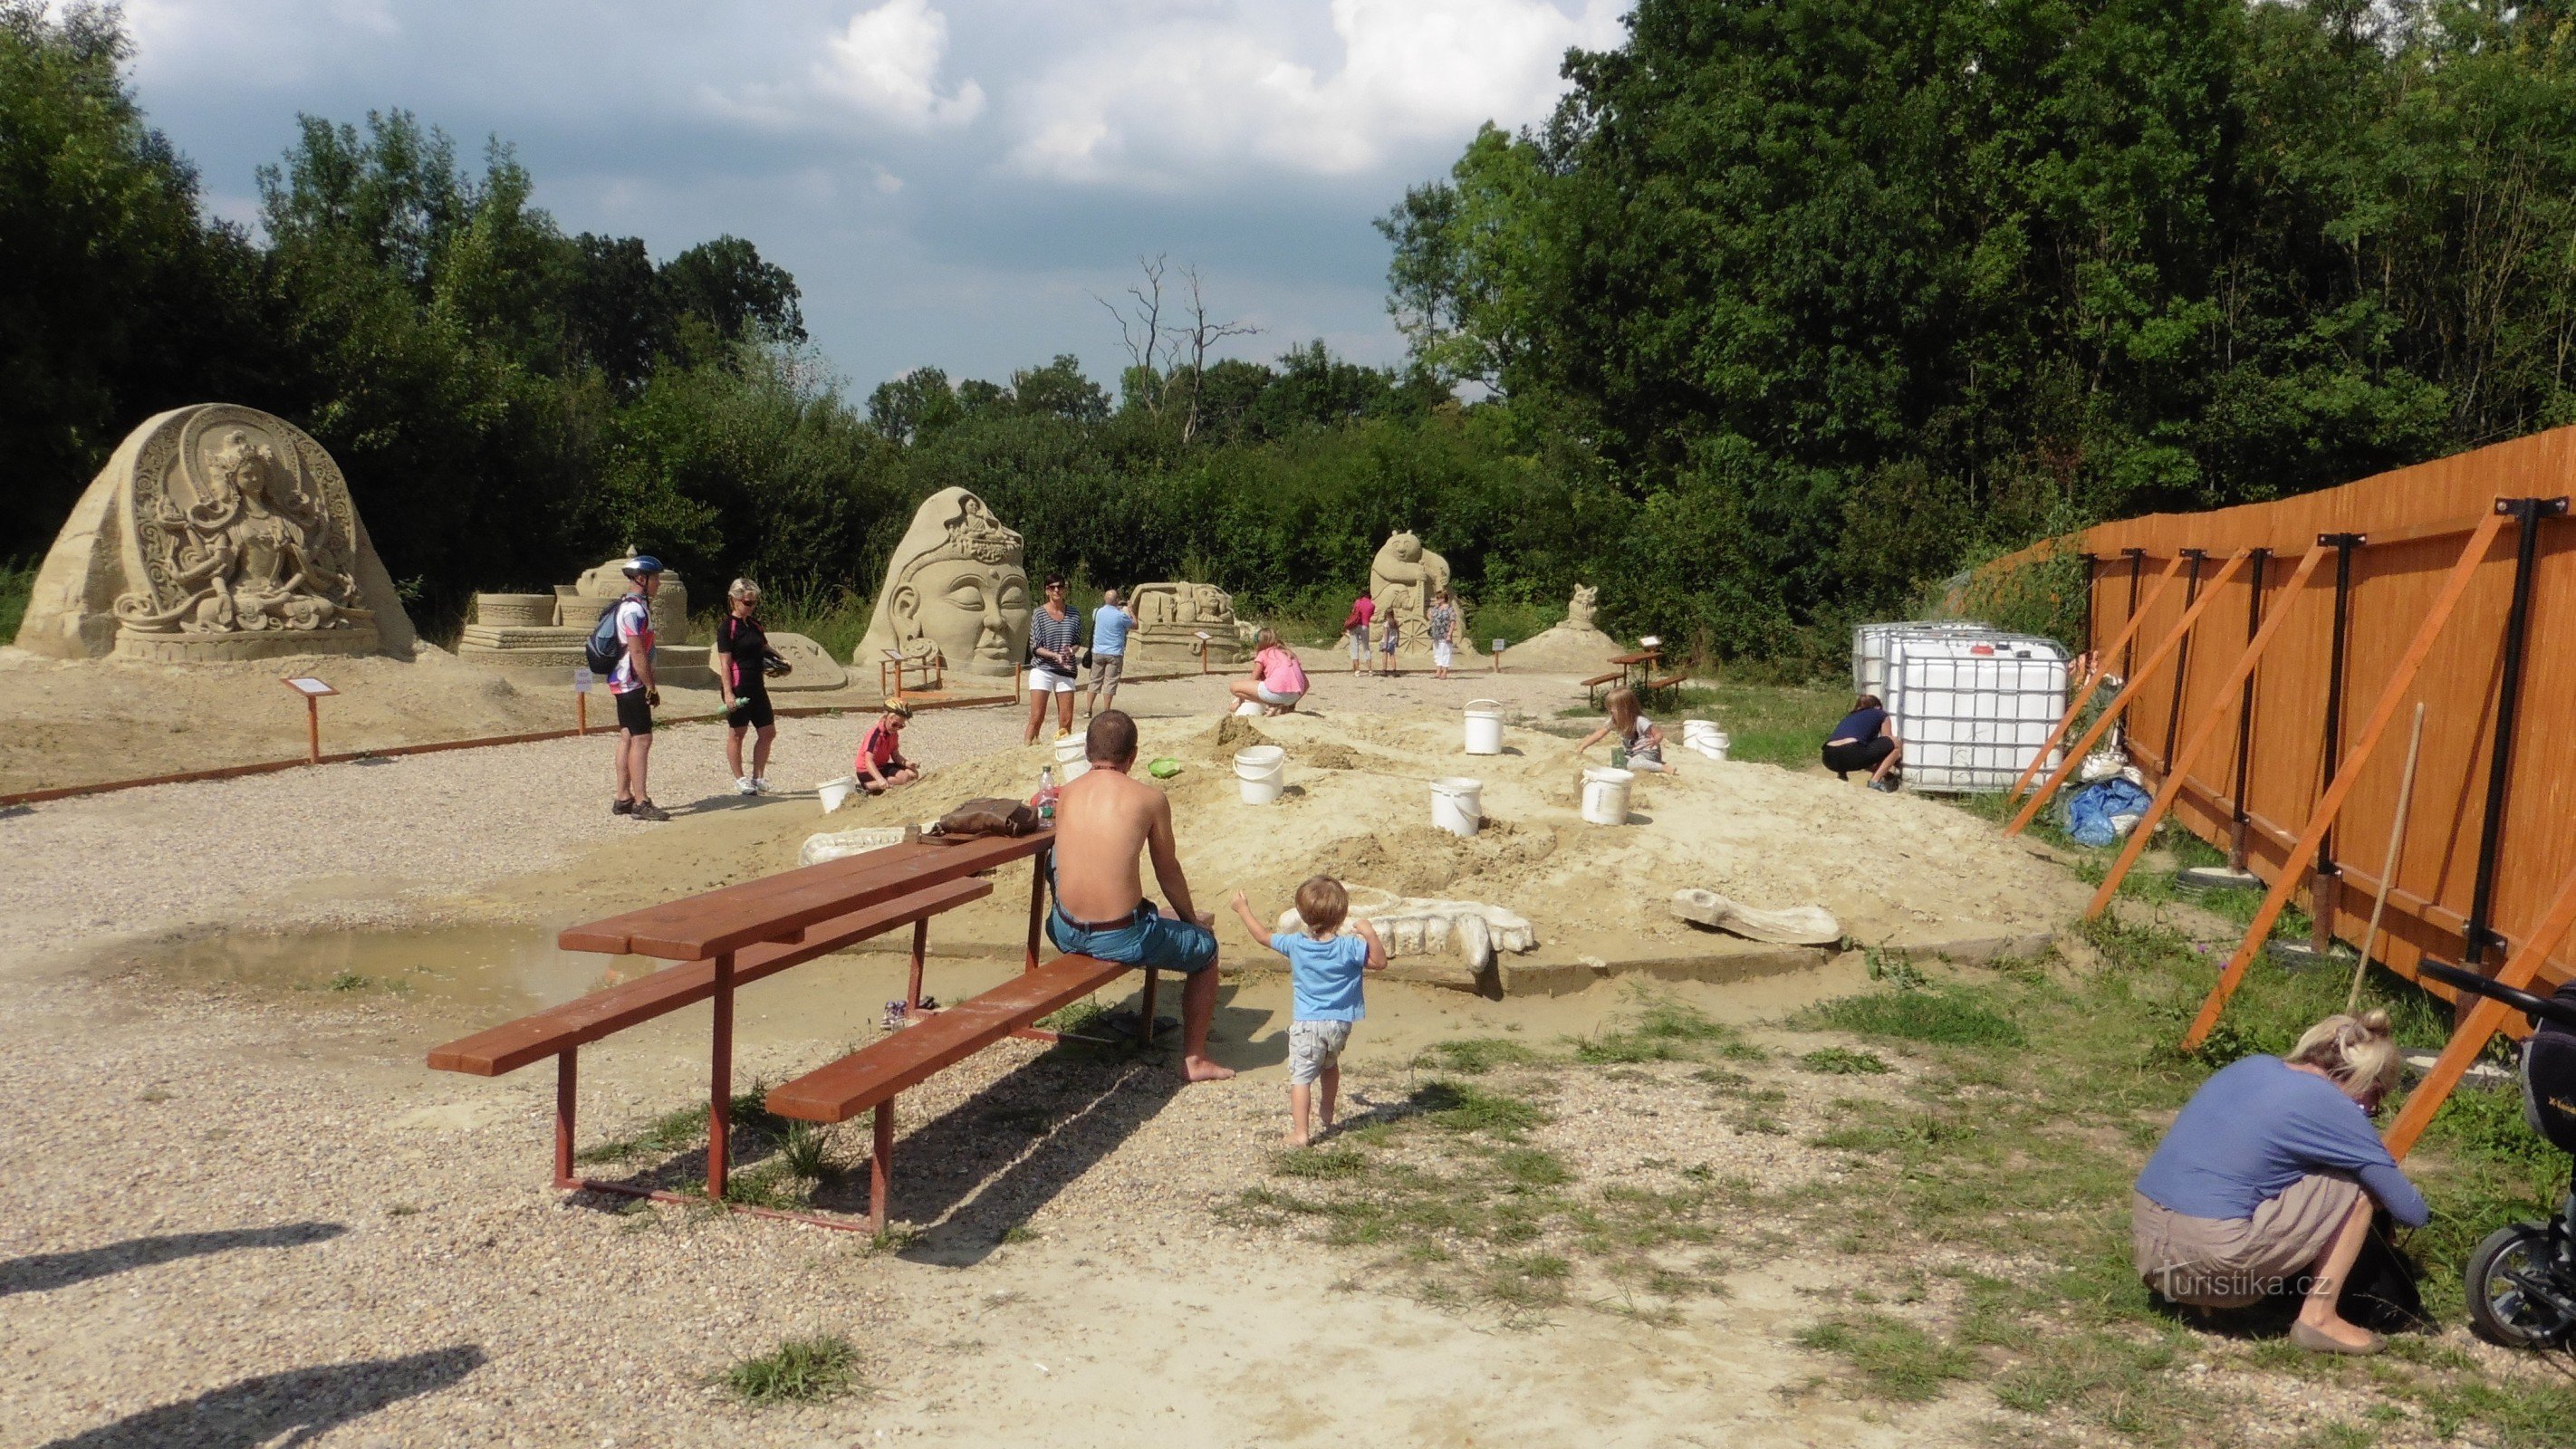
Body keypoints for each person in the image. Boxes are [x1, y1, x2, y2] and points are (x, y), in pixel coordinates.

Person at [2132, 1010, 2427, 1355]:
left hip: (2153, 1262)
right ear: (2366, 1081)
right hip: (2211, 1264)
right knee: (2354, 1187)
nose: (2369, 1112)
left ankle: (2196, 1299)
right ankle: (2318, 1319)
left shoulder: (2252, 1065)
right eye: (2374, 1102)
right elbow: (2412, 1212)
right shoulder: (2333, 1105)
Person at [1045, 709, 1233, 1083]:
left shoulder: (1067, 793)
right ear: (1133, 755)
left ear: (1086, 752)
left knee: (1055, 859)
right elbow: (1168, 871)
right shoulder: (1149, 798)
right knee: (1207, 951)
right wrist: (1192, 921)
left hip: (1062, 930)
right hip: (1119, 936)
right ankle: (1195, 1059)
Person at [1229, 878, 1386, 1146]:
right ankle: (1327, 1109)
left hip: (1308, 1025)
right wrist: (1370, 934)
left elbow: (1262, 936)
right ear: (1341, 915)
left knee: (1301, 1078)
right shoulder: (1349, 947)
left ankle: (1301, 1133)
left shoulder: (1295, 944)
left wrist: (1243, 909)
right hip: (1340, 1024)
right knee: (1330, 1065)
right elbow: (1379, 962)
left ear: (1301, 914)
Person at [608, 556, 668, 821]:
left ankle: (623, 797)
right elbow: (637, 652)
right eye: (655, 578)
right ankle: (641, 801)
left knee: (627, 736)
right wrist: (650, 686)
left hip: (621, 680)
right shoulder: (635, 611)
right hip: (632, 681)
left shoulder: (628, 605)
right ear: (642, 579)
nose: (659, 583)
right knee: (642, 739)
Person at [716, 578, 778, 796]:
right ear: (734, 600)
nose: (751, 607)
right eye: (747, 602)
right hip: (738, 685)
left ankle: (758, 776)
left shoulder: (755, 625)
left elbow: (765, 646)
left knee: (768, 731)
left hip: (757, 684)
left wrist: (782, 660)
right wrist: (728, 693)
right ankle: (740, 778)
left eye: (754, 602)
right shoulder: (727, 627)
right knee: (737, 733)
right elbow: (725, 663)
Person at [1024, 574, 1081, 744]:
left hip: (1066, 669)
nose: (1057, 590)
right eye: (1052, 587)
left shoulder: (1074, 613)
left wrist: (1070, 650)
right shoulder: (1039, 614)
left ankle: (1063, 750)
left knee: (1066, 719)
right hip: (1043, 668)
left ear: (1065, 590)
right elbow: (1035, 646)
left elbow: (1077, 642)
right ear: (1047, 591)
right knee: (1037, 716)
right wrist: (1054, 655)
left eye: (1060, 587)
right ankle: (1027, 745)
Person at [1576, 686, 1671, 772]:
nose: (1611, 710)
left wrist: (1655, 741)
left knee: (1632, 764)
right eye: (1610, 707)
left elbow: (1659, 734)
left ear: (1626, 708)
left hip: (1648, 752)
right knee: (1618, 763)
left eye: (1614, 707)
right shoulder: (1615, 721)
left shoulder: (1639, 721)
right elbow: (1599, 734)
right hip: (1632, 753)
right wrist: (1582, 746)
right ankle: (1646, 764)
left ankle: (1662, 768)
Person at [1823, 693, 1903, 792]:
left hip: (1828, 758)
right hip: (1853, 753)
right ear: (1878, 707)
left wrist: (1886, 773)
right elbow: (1887, 739)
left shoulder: (1850, 716)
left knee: (1859, 749)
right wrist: (1895, 760)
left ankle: (1842, 776)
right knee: (1895, 743)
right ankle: (1874, 781)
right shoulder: (1880, 713)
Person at [1226, 629, 1308, 716]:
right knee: (1269, 686)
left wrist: (1239, 702)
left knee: (1234, 687)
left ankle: (1273, 703)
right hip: (1295, 696)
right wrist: (1291, 705)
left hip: (1276, 694)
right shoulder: (1289, 654)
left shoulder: (1264, 653)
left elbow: (1253, 679)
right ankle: (1277, 704)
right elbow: (1306, 684)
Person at [1087, 587, 1134, 718]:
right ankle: (1106, 710)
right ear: (1117, 600)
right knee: (1110, 682)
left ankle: (1088, 709)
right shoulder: (1120, 616)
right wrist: (1130, 610)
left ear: (1105, 599)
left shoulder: (1097, 612)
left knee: (1094, 681)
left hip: (1098, 651)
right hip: (1114, 653)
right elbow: (1134, 624)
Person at [856, 702, 918, 793]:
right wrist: (880, 779)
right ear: (886, 718)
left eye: (901, 726)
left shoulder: (893, 734)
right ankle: (866, 786)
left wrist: (907, 763)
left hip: (881, 765)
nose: (896, 728)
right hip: (866, 770)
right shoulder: (876, 735)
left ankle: (882, 785)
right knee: (904, 777)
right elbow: (869, 761)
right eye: (894, 724)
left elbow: (895, 755)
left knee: (913, 774)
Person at [1427, 589, 1458, 680]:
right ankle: (1438, 671)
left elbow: (1453, 622)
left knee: (1445, 652)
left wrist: (1449, 634)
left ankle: (1444, 672)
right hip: (1436, 634)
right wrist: (1431, 618)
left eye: (1438, 598)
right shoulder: (1435, 608)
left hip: (1445, 634)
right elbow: (1429, 615)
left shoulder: (1449, 609)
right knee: (1437, 653)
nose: (1436, 599)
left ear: (1443, 599)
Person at [1342, 591, 1376, 677]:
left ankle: (1357, 671)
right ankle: (1370, 670)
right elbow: (1370, 615)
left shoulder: (1358, 602)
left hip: (1355, 625)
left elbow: (1353, 612)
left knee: (1354, 647)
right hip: (1365, 626)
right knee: (1366, 647)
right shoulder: (1372, 605)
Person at [1379, 610, 1402, 677]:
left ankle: (1384, 671)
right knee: (1392, 656)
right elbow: (1398, 633)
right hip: (1392, 642)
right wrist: (1397, 641)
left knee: (1384, 656)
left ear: (1386, 614)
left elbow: (1386, 634)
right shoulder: (1396, 623)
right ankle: (1394, 671)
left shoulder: (1386, 623)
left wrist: (1385, 644)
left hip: (1386, 641)